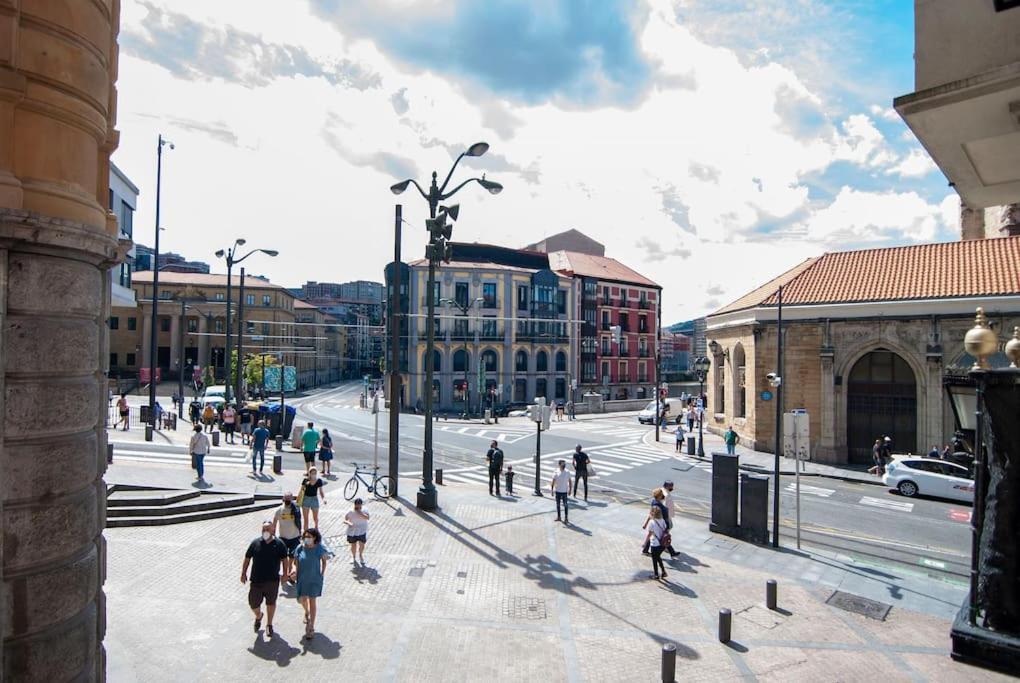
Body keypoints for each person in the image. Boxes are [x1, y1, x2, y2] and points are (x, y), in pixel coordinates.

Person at [241, 520, 288, 638]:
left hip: (272, 581)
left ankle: (269, 624)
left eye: (268, 529)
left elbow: (284, 560)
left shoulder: (279, 544)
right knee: (253, 603)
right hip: (256, 580)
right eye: (263, 529)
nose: (265, 531)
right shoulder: (255, 543)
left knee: (271, 603)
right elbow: (247, 558)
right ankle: (258, 616)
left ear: (273, 530)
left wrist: (285, 574)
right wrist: (243, 573)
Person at [295, 527, 328, 640]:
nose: (307, 539)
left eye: (309, 537)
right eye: (305, 536)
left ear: (315, 537)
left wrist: (322, 574)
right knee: (302, 600)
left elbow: (324, 561)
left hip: (314, 579)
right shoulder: (300, 548)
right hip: (302, 579)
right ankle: (306, 611)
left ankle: (311, 626)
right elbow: (297, 562)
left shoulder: (319, 548)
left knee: (312, 601)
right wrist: (296, 575)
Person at [272, 492, 302, 583]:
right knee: (283, 557)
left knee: (292, 557)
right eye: (286, 499)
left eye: (289, 499)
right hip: (283, 538)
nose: (288, 501)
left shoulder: (296, 509)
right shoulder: (279, 510)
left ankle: (289, 573)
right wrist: (273, 534)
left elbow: (299, 521)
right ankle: (285, 572)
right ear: (283, 499)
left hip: (294, 537)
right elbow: (274, 522)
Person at [642, 488, 671, 555]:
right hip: (660, 523)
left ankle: (646, 550)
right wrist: (646, 524)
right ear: (659, 495)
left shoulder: (656, 501)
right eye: (662, 494)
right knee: (661, 536)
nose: (663, 495)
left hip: (662, 522)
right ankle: (665, 549)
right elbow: (651, 514)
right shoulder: (656, 504)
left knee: (658, 536)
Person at [644, 507, 669, 580]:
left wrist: (645, 543)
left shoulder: (652, 522)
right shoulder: (663, 520)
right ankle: (663, 572)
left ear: (652, 513)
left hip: (655, 543)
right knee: (658, 557)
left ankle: (656, 575)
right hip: (662, 543)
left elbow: (649, 534)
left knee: (654, 559)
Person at [343, 497, 370, 565]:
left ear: (361, 505)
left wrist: (360, 513)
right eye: (356, 505)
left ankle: (360, 555)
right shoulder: (350, 511)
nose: (357, 507)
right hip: (352, 531)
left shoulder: (365, 510)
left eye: (359, 505)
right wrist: (349, 523)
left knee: (362, 545)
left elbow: (367, 518)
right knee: (353, 545)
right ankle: (353, 557)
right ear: (354, 504)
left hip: (362, 531)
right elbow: (345, 520)